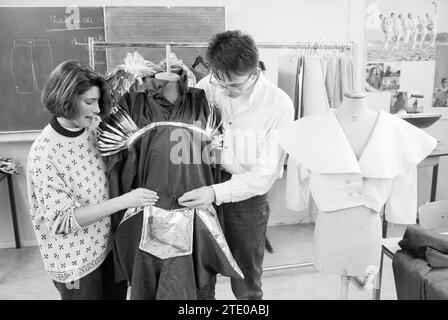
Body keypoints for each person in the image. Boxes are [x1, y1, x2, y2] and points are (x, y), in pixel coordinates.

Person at [27, 60, 158, 300]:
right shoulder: (45, 153)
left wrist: (136, 71)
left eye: (98, 101)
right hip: (75, 263)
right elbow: (62, 220)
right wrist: (125, 201)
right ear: (66, 100)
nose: (97, 109)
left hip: (107, 249)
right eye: (89, 102)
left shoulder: (92, 128)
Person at [178, 30, 294, 300]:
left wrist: (216, 193)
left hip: (248, 198)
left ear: (254, 72)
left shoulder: (279, 105)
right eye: (221, 81)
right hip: (206, 182)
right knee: (201, 271)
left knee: (246, 278)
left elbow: (262, 177)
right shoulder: (208, 85)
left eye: (235, 86)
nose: (226, 90)